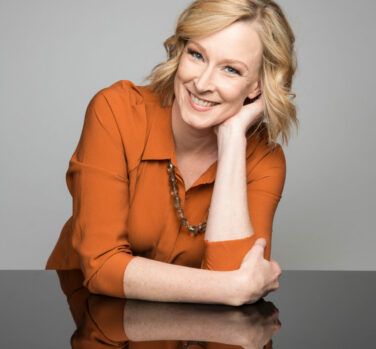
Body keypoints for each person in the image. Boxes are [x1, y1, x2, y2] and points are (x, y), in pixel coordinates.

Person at [46, 0, 298, 306]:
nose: (203, 83)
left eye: (231, 70)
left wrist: (232, 139)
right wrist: (226, 289)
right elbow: (101, 267)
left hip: (190, 325)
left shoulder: (264, 160)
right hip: (84, 313)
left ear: (256, 88)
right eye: (197, 55)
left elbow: (233, 275)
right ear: (181, 52)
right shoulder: (116, 112)